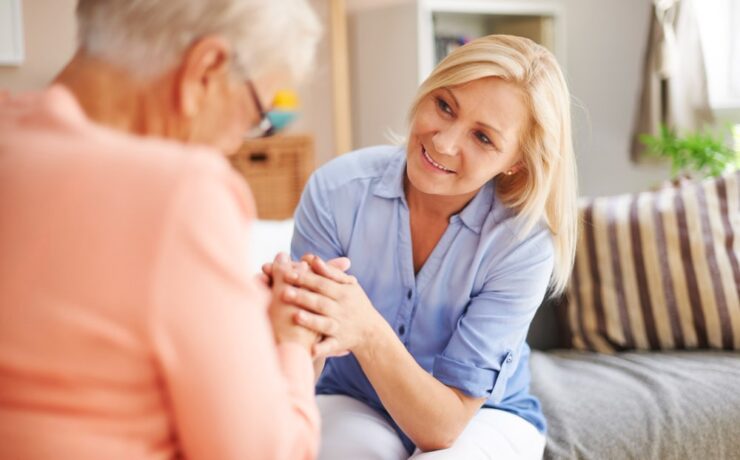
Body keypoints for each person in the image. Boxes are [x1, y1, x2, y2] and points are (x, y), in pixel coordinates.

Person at [0, 1, 325, 459]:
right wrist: (291, 344)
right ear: (206, 69)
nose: (237, 143)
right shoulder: (183, 192)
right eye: (255, 116)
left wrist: (231, 312)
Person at [274, 34, 578, 459]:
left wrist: (365, 327)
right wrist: (285, 325)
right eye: (444, 106)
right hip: (352, 397)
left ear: (516, 162)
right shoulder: (336, 191)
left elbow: (444, 427)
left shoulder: (522, 242)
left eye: (483, 138)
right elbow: (299, 367)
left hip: (484, 416)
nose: (444, 142)